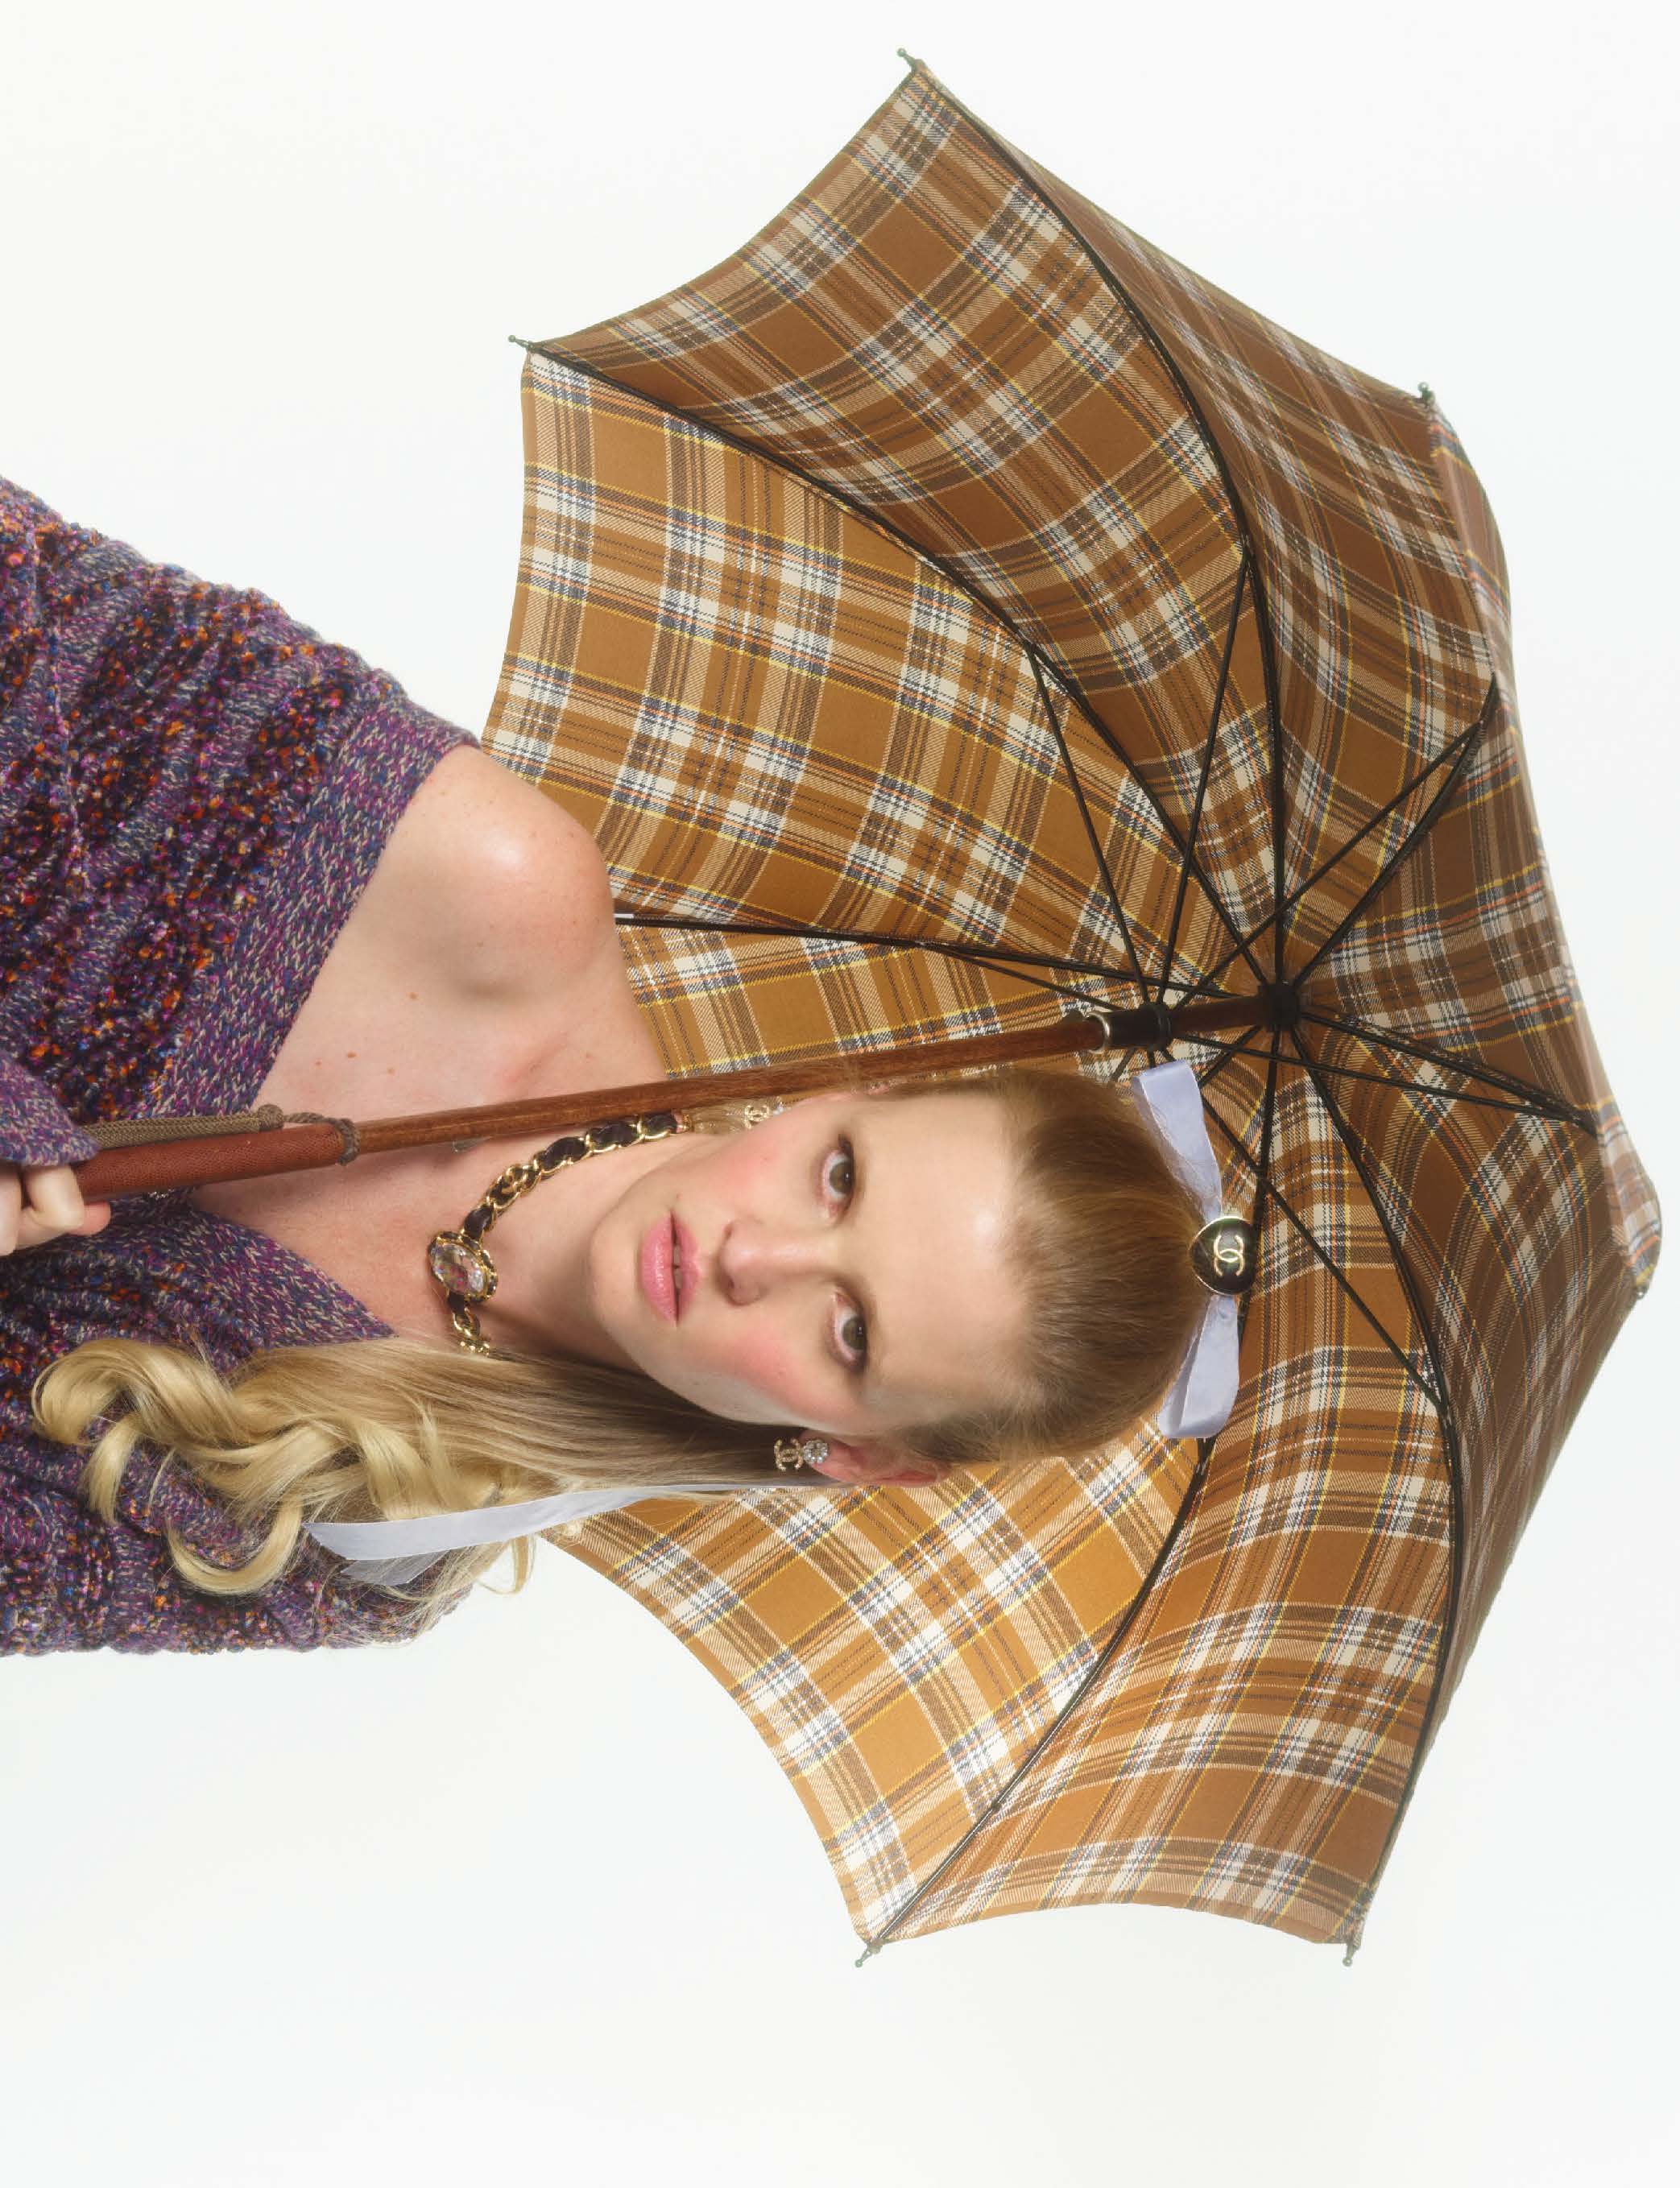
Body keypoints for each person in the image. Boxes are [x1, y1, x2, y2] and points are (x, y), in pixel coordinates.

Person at [0, 477, 1208, 1656]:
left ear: (867, 1455)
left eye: (850, 1331)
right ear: (852, 1095)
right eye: (840, 1178)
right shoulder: (491, 888)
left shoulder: (389, 1528)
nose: (755, 1257)